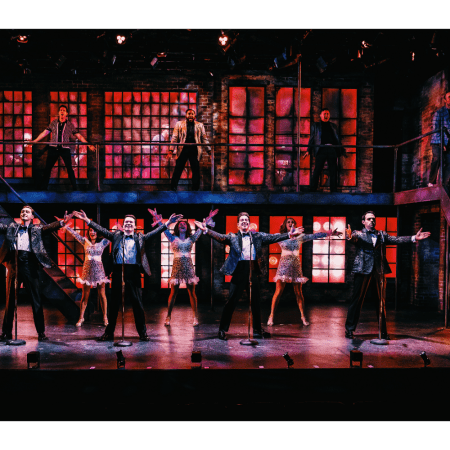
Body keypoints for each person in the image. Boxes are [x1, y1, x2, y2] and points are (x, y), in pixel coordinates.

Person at [73, 209, 182, 341]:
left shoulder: (140, 237)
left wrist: (168, 222)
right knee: (114, 304)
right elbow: (101, 230)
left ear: (135, 226)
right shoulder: (116, 235)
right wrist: (87, 221)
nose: (128, 224)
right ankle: (109, 333)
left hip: (133, 272)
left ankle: (142, 333)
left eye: (131, 222)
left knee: (138, 304)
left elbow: (154, 233)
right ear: (123, 225)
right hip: (119, 271)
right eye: (126, 222)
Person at [195, 212, 303, 340]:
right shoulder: (233, 237)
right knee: (231, 302)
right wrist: (206, 230)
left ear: (249, 223)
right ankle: (222, 330)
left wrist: (289, 234)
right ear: (238, 224)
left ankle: (257, 330)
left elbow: (272, 237)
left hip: (253, 270)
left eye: (246, 219)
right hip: (239, 270)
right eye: (242, 220)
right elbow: (220, 237)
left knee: (256, 302)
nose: (244, 221)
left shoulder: (257, 236)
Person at [345, 211, 431, 340]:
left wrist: (414, 238)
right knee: (357, 300)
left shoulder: (381, 234)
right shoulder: (358, 233)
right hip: (362, 269)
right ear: (363, 222)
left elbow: (396, 239)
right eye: (369, 219)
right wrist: (349, 237)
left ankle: (383, 332)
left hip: (378, 269)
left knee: (380, 302)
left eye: (373, 219)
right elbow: (353, 239)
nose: (372, 221)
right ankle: (350, 329)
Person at [0, 206, 73, 342]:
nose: (24, 213)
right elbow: (1, 227)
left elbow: (49, 228)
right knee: (10, 301)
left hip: (29, 265)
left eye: (27, 211)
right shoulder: (12, 227)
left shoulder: (36, 228)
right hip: (14, 265)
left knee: (36, 300)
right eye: (22, 211)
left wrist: (62, 222)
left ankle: (41, 332)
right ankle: (6, 332)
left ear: (32, 216)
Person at [267, 217, 342, 327]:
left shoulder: (300, 237)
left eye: (292, 222)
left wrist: (329, 233)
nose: (291, 223)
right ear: (285, 225)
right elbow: (269, 238)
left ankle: (303, 317)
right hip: (284, 267)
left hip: (296, 266)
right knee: (278, 292)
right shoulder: (281, 237)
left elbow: (314, 236)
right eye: (288, 222)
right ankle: (271, 316)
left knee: (299, 293)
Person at [28, 105, 95, 190]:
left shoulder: (70, 125)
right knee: (47, 169)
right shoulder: (53, 123)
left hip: (64, 149)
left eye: (64, 110)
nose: (62, 111)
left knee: (70, 169)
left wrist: (88, 145)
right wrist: (34, 141)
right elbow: (44, 133)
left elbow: (79, 136)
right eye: (60, 110)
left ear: (66, 113)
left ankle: (75, 188)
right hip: (53, 148)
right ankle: (43, 189)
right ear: (59, 113)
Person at [63, 224, 110, 327]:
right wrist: (65, 225)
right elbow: (75, 234)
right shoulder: (85, 241)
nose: (92, 232)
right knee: (85, 296)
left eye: (94, 231)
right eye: (90, 230)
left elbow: (111, 235)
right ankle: (81, 317)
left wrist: (120, 228)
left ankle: (105, 317)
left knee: (102, 295)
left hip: (99, 271)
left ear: (97, 233)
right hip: (87, 271)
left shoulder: (103, 242)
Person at [160, 218, 203, 327]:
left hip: (188, 266)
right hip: (177, 266)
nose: (182, 225)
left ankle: (195, 316)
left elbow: (201, 229)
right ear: (177, 227)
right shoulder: (172, 237)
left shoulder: (191, 238)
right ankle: (168, 316)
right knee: (173, 292)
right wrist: (157, 219)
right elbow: (163, 228)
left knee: (192, 293)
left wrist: (208, 219)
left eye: (184, 224)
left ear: (187, 227)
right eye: (180, 224)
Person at [169, 109, 211, 191]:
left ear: (195, 116)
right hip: (183, 149)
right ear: (186, 115)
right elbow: (174, 137)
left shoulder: (200, 125)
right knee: (178, 168)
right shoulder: (179, 124)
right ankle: (173, 187)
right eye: (189, 113)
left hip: (194, 150)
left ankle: (195, 189)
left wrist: (209, 151)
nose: (191, 115)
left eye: (192, 114)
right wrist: (171, 150)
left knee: (195, 169)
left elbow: (204, 139)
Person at [305, 108, 346, 192]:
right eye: (324, 114)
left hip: (331, 149)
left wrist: (342, 150)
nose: (326, 115)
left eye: (327, 114)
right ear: (320, 115)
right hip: (321, 149)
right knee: (317, 170)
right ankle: (313, 189)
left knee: (333, 170)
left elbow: (337, 139)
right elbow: (312, 138)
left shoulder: (333, 126)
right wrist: (308, 150)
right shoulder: (316, 126)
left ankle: (333, 190)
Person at [429, 91, 450, 187]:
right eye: (449, 97)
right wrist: (442, 144)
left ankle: (445, 184)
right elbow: (436, 129)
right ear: (445, 100)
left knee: (449, 162)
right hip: (438, 141)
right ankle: (431, 182)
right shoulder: (439, 112)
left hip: (449, 142)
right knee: (437, 159)